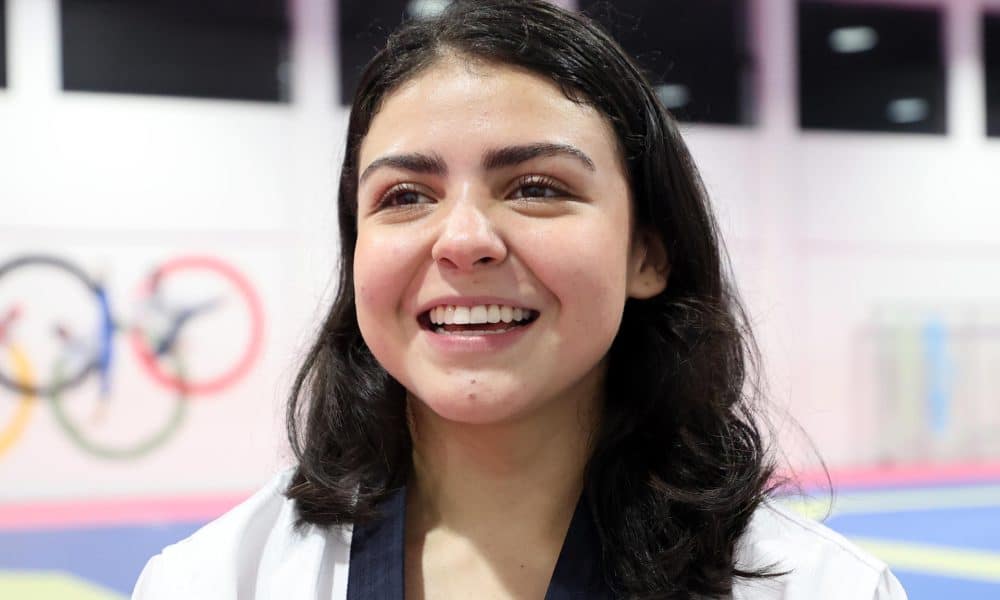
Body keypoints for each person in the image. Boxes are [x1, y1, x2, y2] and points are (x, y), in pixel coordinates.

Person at [132, 1, 907, 598]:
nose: (463, 239)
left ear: (647, 252)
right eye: (405, 196)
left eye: (536, 187)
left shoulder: (819, 589)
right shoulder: (212, 582)